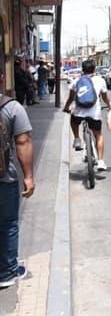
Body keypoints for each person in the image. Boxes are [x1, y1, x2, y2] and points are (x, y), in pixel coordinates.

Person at [0, 70, 34, 288]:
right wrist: (29, 176)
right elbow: (23, 142)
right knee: (8, 224)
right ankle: (7, 273)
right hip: (4, 178)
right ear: (2, 78)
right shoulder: (12, 107)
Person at [62, 59, 111, 172]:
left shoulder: (76, 81)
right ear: (94, 69)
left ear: (83, 69)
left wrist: (66, 107)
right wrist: (109, 104)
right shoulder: (100, 81)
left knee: (73, 120)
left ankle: (77, 139)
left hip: (79, 113)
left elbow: (71, 98)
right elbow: (105, 97)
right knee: (98, 135)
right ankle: (101, 161)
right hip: (94, 114)